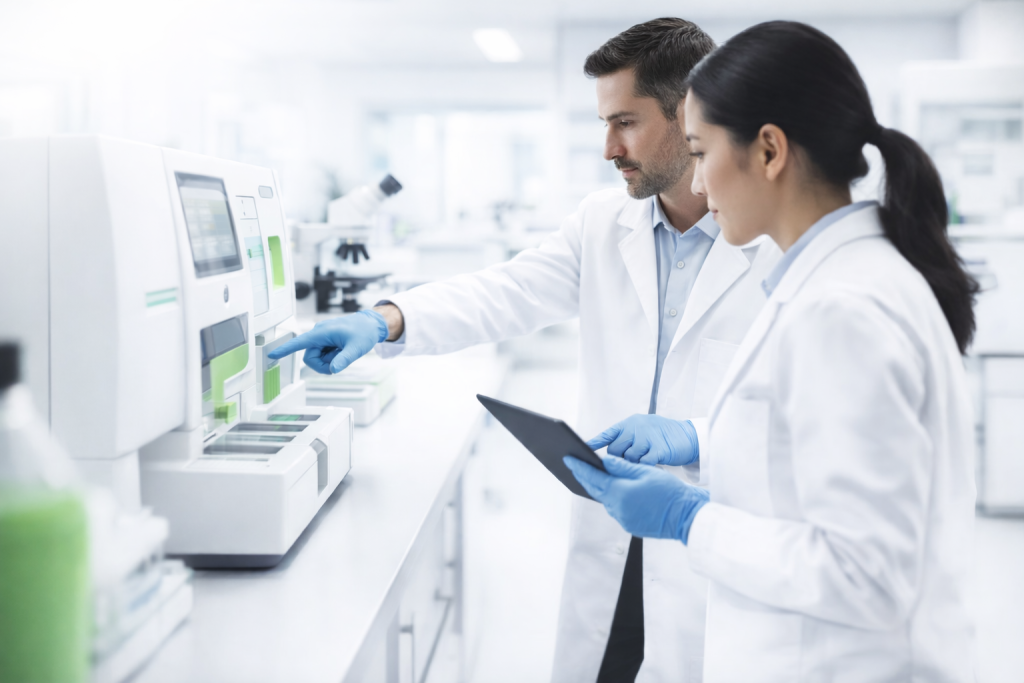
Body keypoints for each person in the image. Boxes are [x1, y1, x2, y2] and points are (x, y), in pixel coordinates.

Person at [270, 18, 780, 683]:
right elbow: (505, 292)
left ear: (688, 114)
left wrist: (695, 437)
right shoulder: (603, 223)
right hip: (612, 530)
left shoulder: (776, 243)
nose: (609, 148)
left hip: (714, 547)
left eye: (625, 123)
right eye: (605, 124)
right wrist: (387, 319)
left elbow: (808, 421)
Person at [565, 20, 979, 682]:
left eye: (700, 152)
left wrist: (689, 519)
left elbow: (868, 573)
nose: (699, 186)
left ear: (768, 151)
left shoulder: (844, 309)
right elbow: (803, 448)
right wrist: (698, 441)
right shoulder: (830, 282)